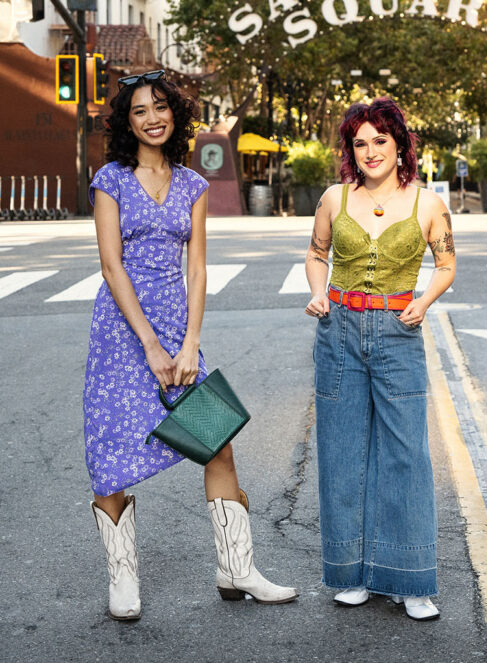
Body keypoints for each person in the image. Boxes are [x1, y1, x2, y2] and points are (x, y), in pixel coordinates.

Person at [85, 70, 297, 620]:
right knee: (113, 459)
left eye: (160, 106)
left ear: (174, 114)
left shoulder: (192, 185)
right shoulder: (109, 179)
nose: (152, 117)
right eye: (139, 111)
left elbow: (197, 270)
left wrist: (188, 343)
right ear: (126, 123)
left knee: (216, 441)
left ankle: (237, 569)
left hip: (179, 333)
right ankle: (123, 580)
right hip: (121, 334)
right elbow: (111, 268)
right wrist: (151, 345)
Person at [304, 97, 455, 621]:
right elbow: (317, 253)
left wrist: (424, 300)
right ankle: (350, 573)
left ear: (400, 145)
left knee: (406, 455)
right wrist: (319, 292)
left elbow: (446, 264)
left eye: (380, 141)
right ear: (351, 149)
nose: (370, 152)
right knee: (342, 450)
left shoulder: (428, 204)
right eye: (360, 143)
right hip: (338, 329)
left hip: (397, 331)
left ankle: (410, 580)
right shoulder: (333, 198)